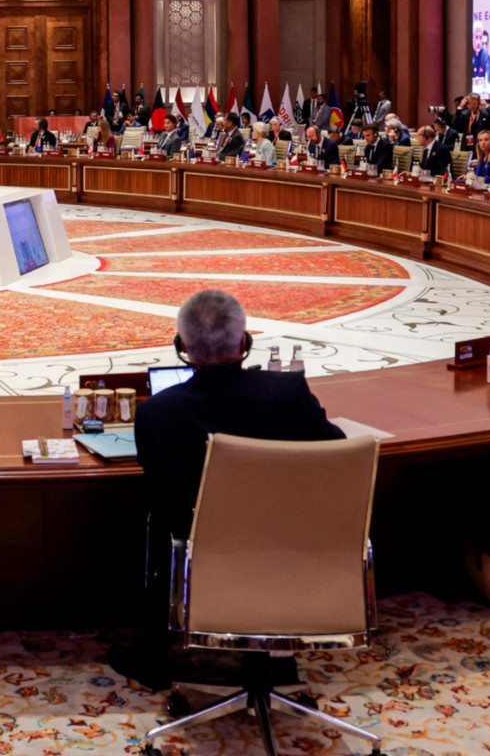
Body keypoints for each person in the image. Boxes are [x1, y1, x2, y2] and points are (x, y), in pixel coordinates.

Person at [115, 290, 343, 687]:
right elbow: (335, 449)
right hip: (295, 548)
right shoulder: (290, 392)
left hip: (204, 555)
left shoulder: (157, 412)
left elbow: (162, 491)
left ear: (182, 346)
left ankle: (155, 643)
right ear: (244, 341)